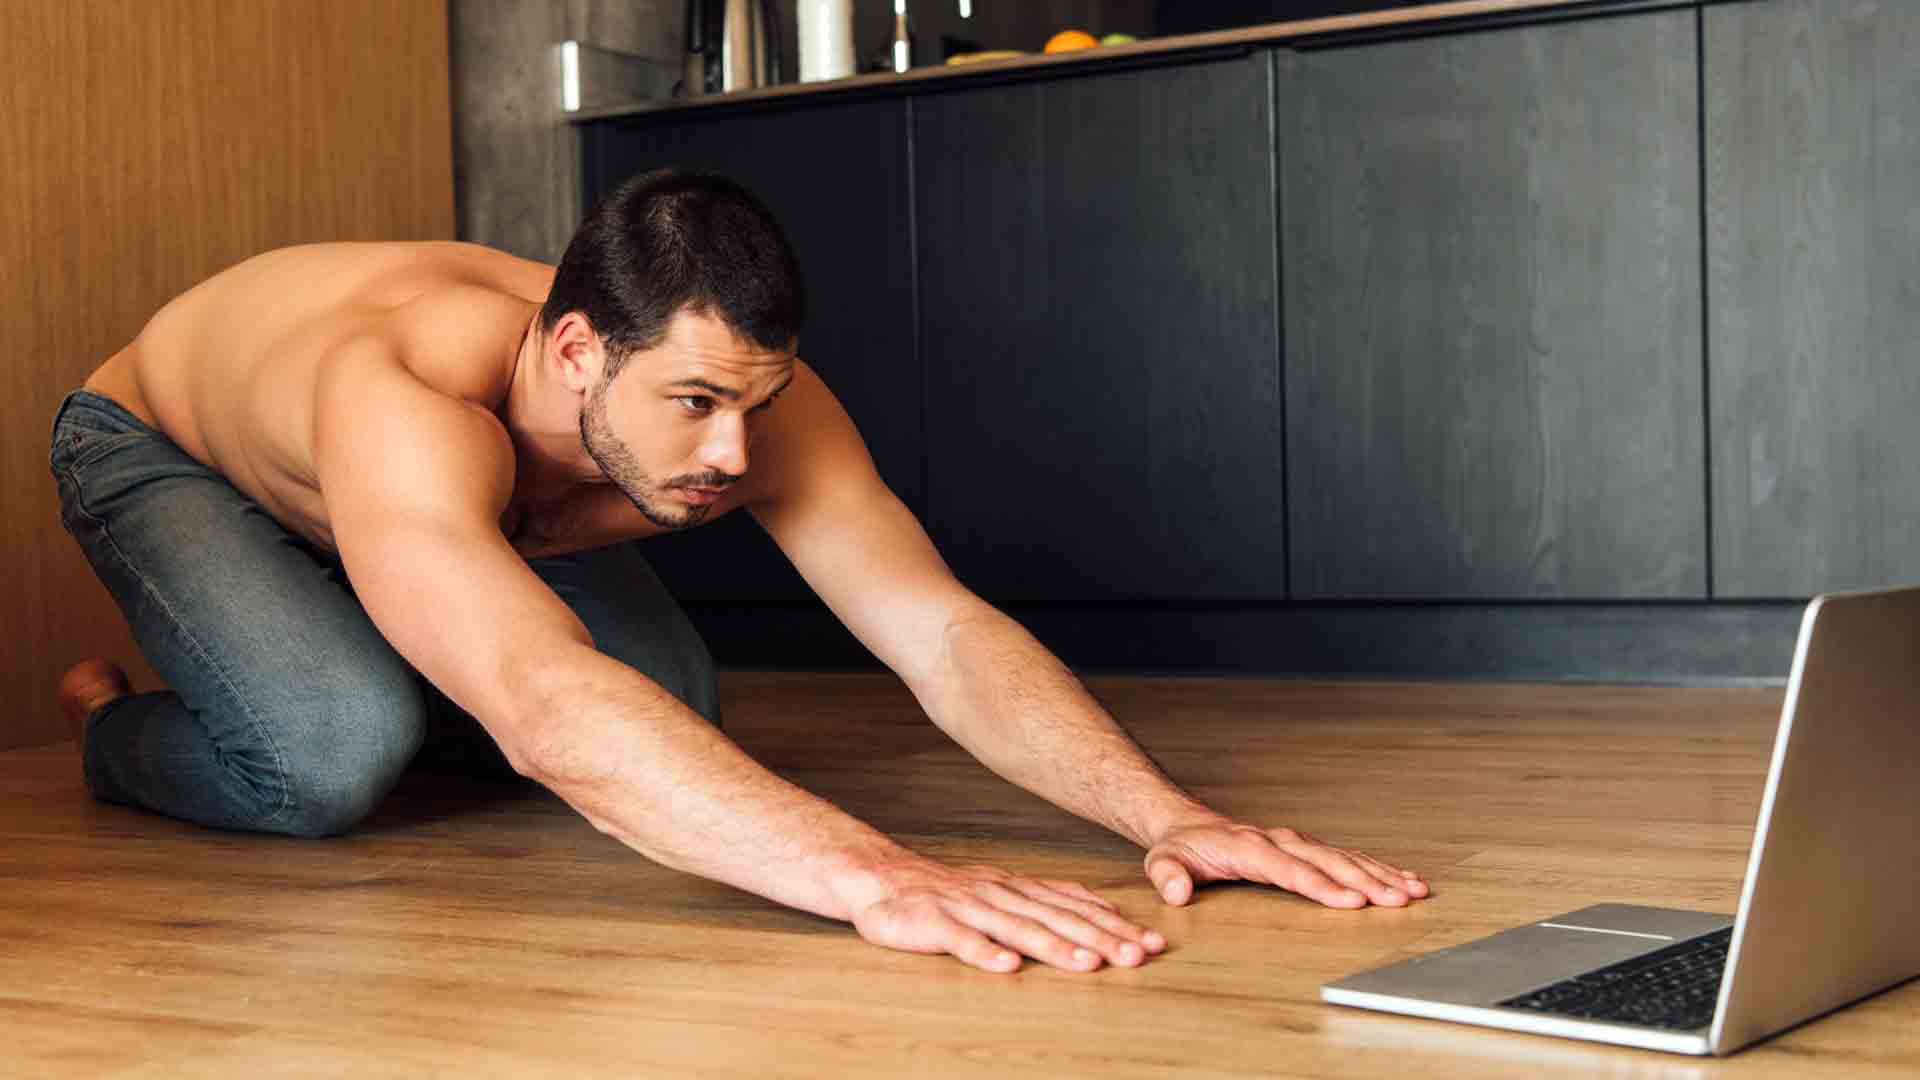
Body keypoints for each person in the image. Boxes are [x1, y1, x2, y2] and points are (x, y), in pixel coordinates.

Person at [50, 168, 1427, 975]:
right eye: (697, 404)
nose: (733, 451)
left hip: (454, 522)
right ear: (580, 351)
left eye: (756, 404)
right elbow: (540, 704)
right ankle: (119, 725)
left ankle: (401, 619)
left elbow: (938, 630)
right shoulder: (403, 392)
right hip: (169, 450)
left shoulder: (745, 396)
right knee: (333, 748)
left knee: (669, 711)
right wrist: (876, 875)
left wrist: (1164, 816)